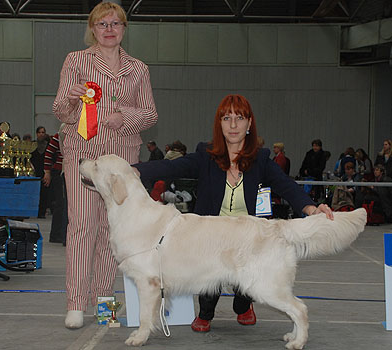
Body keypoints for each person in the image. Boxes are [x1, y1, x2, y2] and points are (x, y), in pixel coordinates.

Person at [132, 94, 333, 333]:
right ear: (220, 124)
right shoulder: (205, 155)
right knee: (207, 281)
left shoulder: (261, 159)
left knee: (249, 280)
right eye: (227, 118)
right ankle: (206, 312)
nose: (233, 124)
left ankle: (243, 305)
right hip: (210, 234)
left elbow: (286, 185)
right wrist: (133, 170)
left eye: (240, 118)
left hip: (247, 235)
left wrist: (311, 208)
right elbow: (171, 166)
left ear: (249, 124)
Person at [52, 1, 158, 329]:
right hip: (83, 154)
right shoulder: (76, 61)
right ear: (92, 29)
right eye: (102, 24)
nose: (109, 29)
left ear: (124, 28)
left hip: (123, 156)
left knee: (112, 231)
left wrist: (122, 117)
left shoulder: (138, 68)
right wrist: (72, 98)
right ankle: (75, 305)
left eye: (115, 23)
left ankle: (105, 308)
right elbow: (59, 109)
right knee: (82, 225)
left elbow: (151, 113)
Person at [43, 126, 68, 244]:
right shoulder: (59, 135)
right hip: (59, 172)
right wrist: (47, 172)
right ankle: (56, 234)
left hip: (66, 170)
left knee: (64, 205)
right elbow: (48, 154)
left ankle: (60, 234)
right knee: (61, 204)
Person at [31, 126, 50, 218]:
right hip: (35, 172)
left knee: (44, 193)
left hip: (45, 171)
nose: (41, 134)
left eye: (43, 132)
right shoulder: (32, 145)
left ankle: (42, 212)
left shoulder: (49, 145)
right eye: (39, 132)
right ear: (36, 134)